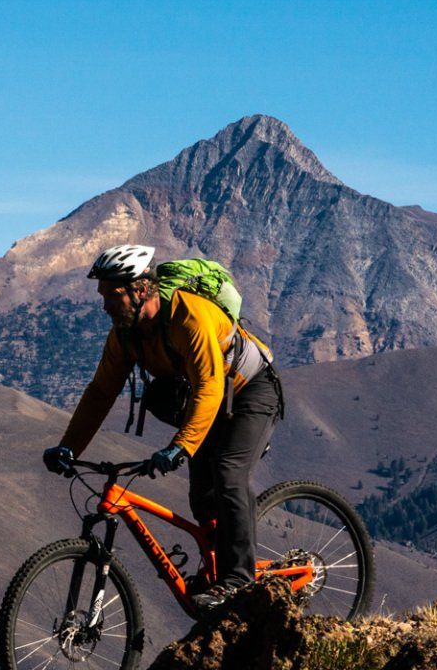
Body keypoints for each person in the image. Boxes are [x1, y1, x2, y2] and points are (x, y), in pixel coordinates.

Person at [42, 244, 285, 613]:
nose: (105, 305)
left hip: (251, 389)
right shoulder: (125, 334)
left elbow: (209, 385)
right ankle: (216, 566)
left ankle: (238, 579)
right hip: (208, 400)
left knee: (227, 472)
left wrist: (180, 446)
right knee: (202, 496)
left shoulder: (188, 315)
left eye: (112, 295)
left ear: (142, 289)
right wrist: (69, 447)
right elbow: (101, 393)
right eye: (103, 295)